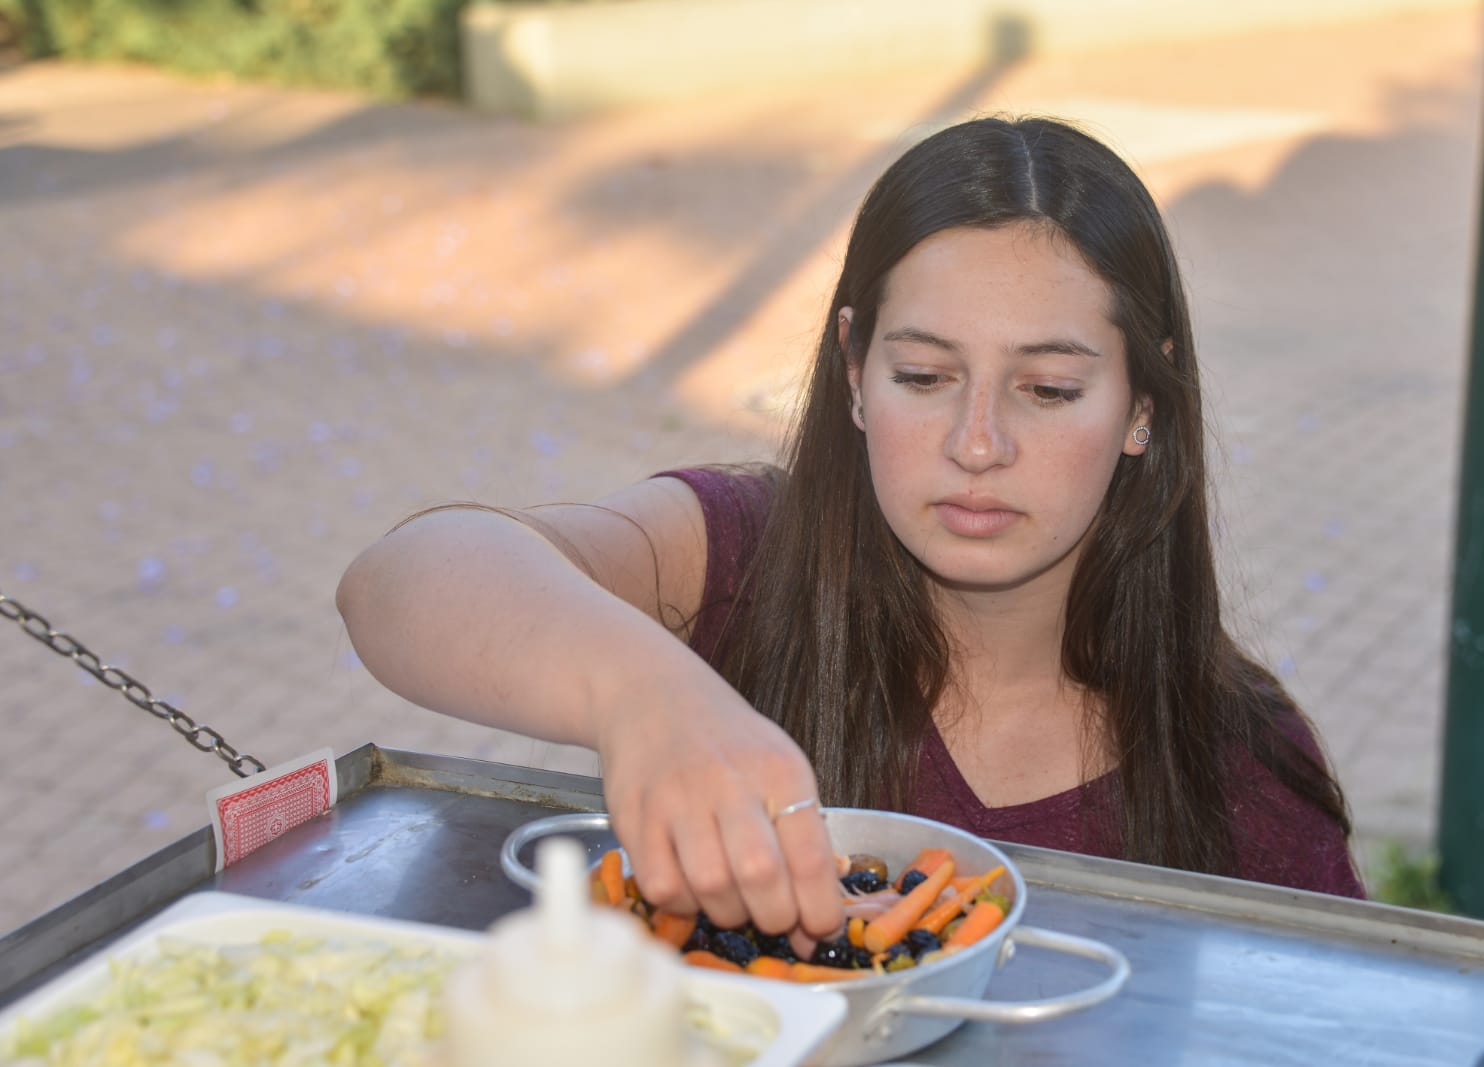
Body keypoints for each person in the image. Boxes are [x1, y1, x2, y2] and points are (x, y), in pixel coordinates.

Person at [337, 115, 1364, 945]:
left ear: (1143, 403)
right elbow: (402, 581)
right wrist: (646, 697)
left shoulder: (1237, 756)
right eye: (923, 375)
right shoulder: (740, 560)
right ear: (853, 372)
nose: (976, 442)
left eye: (1047, 388)